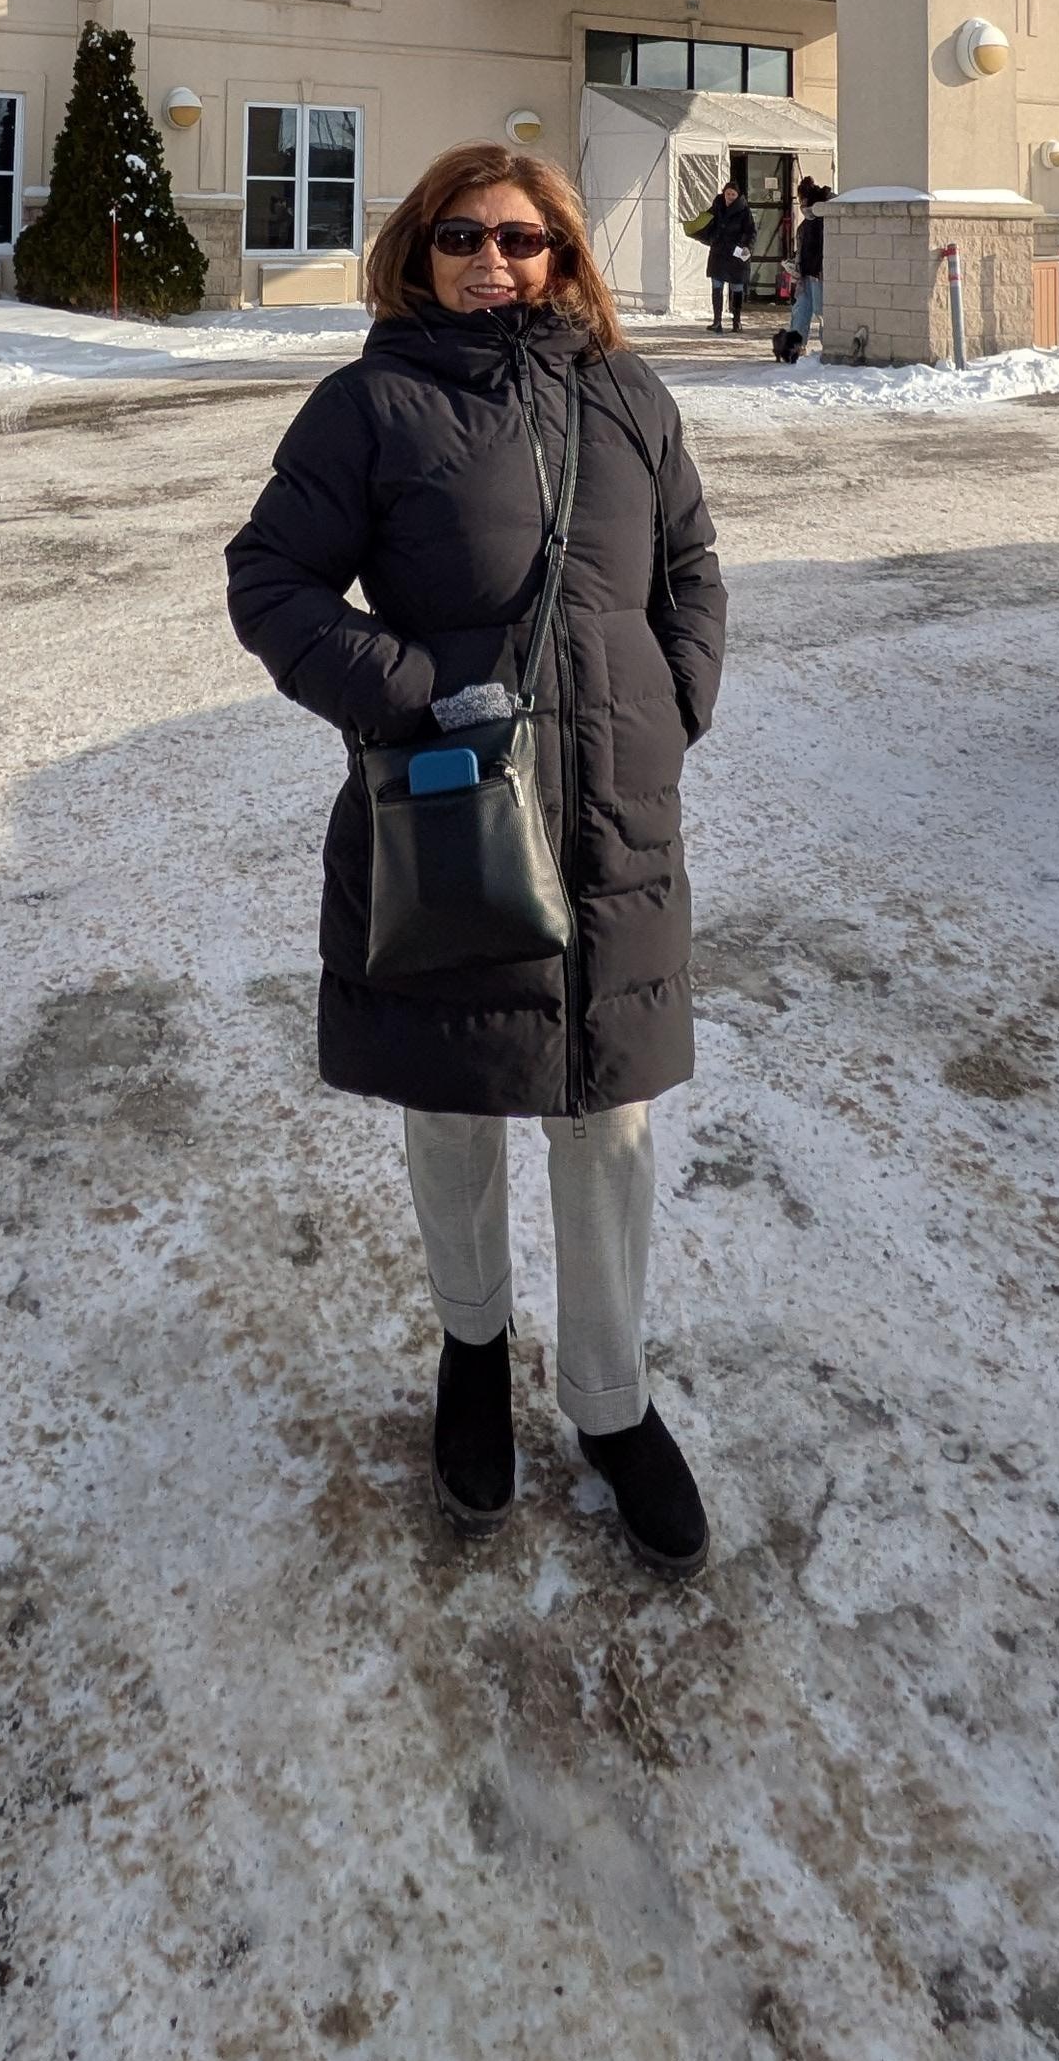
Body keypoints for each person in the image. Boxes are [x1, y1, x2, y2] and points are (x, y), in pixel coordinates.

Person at [225, 143, 727, 1576]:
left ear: (564, 254)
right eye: (461, 236)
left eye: (522, 238)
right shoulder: (371, 405)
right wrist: (408, 692)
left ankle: (612, 1401)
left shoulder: (629, 395)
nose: (492, 261)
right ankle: (472, 1350)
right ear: (417, 250)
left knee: (606, 1115)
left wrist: (676, 701)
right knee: (455, 1102)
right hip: (455, 808)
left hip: (617, 815)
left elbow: (692, 566)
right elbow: (271, 579)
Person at [702, 177, 757, 332]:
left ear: (737, 195)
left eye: (733, 194)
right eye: (728, 194)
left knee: (737, 287)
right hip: (719, 252)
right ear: (724, 194)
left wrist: (748, 247)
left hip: (736, 253)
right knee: (717, 286)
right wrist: (708, 236)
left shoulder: (744, 211)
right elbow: (706, 223)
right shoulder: (716, 207)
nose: (730, 197)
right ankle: (717, 321)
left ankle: (736, 321)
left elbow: (751, 231)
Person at [790, 177, 828, 347]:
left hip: (816, 272)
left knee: (819, 311)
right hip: (807, 272)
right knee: (803, 310)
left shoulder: (817, 222)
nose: (801, 205)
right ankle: (796, 346)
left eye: (801, 201)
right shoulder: (810, 223)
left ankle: (827, 347)